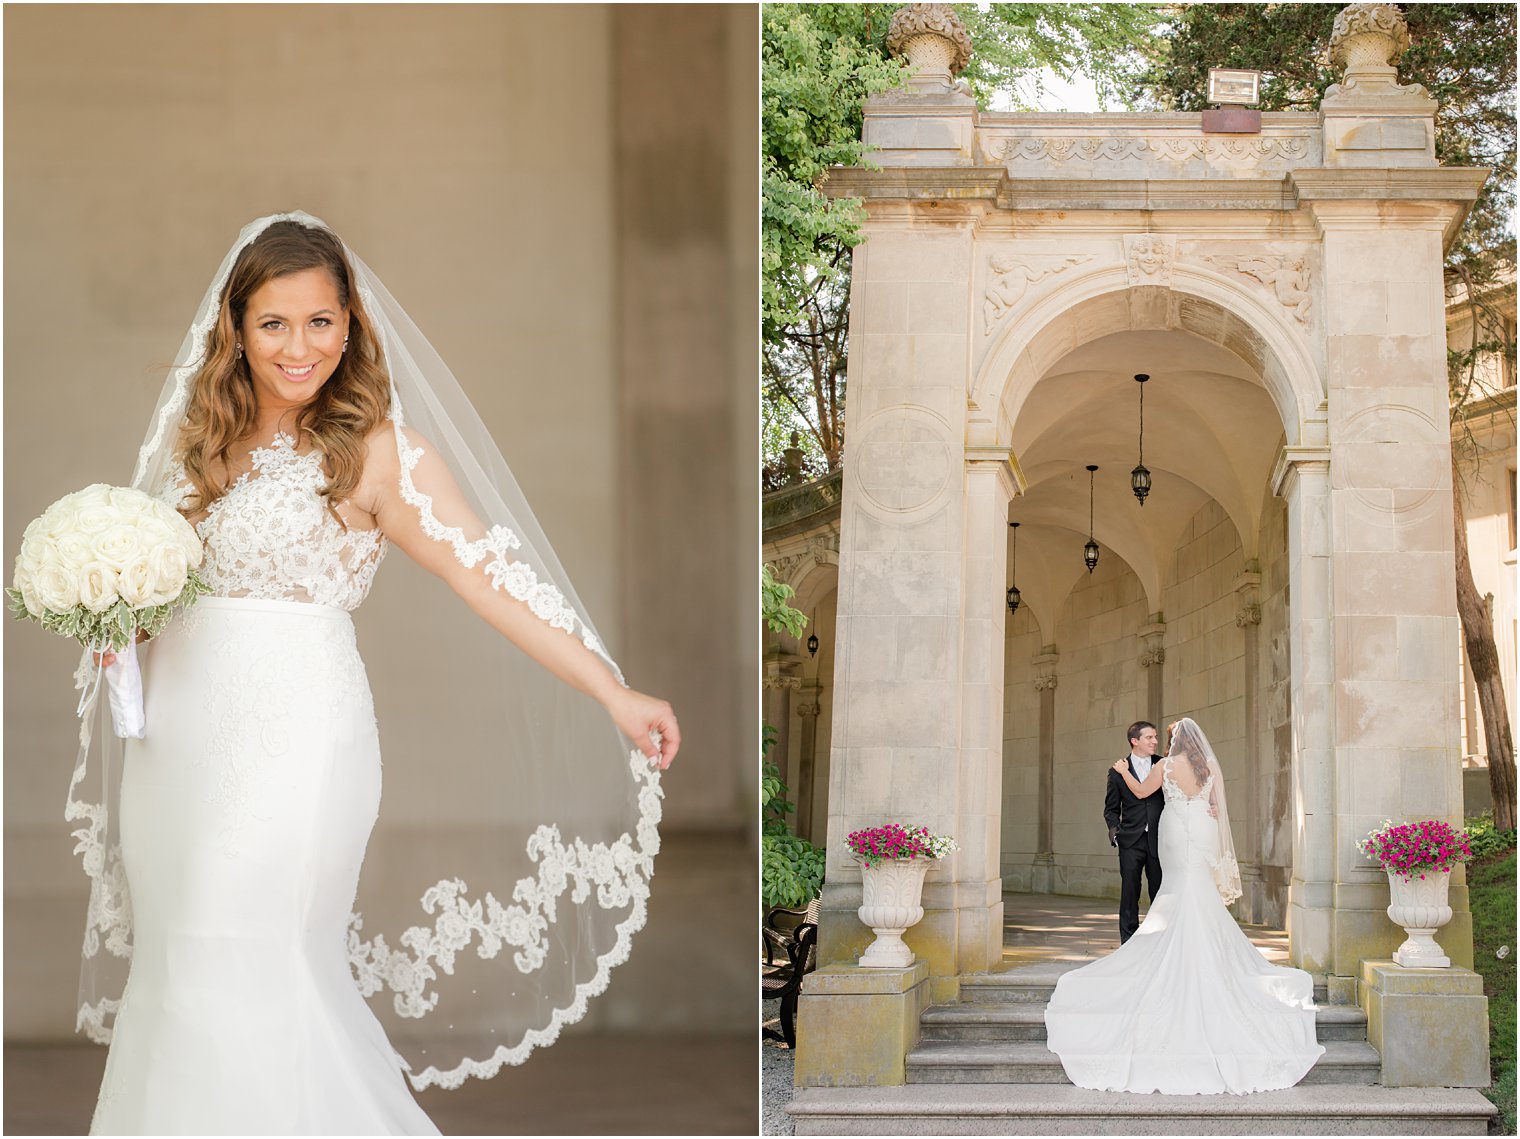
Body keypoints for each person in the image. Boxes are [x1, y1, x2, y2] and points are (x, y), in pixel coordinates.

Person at [72, 213, 680, 1134]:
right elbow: (161, 597)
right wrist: (114, 616)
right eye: (274, 322)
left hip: (296, 740)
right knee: (181, 962)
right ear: (235, 327)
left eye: (321, 321)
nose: (298, 345)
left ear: (350, 325)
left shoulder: (384, 453)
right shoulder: (199, 450)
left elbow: (493, 582)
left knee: (248, 953)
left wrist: (612, 688)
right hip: (179, 744)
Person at [1044, 718, 1323, 1095]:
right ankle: (1205, 950)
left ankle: (1170, 945)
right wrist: (1206, 811)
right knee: (1196, 889)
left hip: (1175, 829)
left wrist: (1124, 771)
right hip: (1202, 829)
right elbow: (1217, 806)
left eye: (1167, 736)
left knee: (1176, 888)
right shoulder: (1208, 765)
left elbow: (1142, 793)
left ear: (1176, 741)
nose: (1163, 740)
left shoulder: (1165, 765)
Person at [1105, 720, 1164, 944]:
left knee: (1159, 891)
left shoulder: (1163, 764)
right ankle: (1128, 942)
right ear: (1135, 741)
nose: (1155, 741)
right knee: (1129, 891)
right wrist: (1115, 833)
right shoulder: (1117, 771)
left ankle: (1158, 938)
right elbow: (1111, 809)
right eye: (1149, 737)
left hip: (1159, 839)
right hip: (1130, 840)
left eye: (1156, 737)